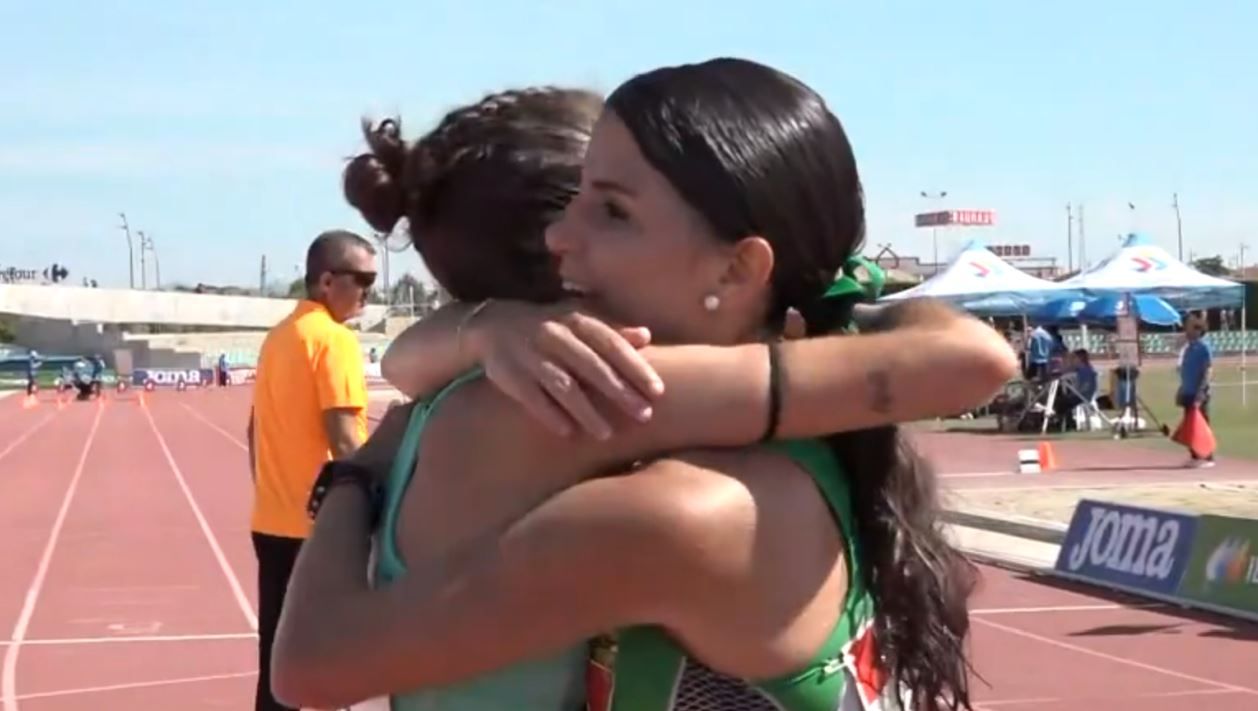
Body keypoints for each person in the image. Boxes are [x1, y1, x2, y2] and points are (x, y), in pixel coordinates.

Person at [274, 67, 1015, 711]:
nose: (564, 236)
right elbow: (962, 355)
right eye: (578, 198)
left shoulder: (677, 508)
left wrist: (357, 473)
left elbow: (311, 666)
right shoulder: (802, 423)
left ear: (737, 269)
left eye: (612, 209)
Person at [247, 229, 377, 711]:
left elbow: (253, 433)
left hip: (271, 522)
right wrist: (378, 513)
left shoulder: (278, 338)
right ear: (327, 281)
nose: (368, 292)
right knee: (330, 665)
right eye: (362, 279)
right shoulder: (334, 340)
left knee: (278, 669)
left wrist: (271, 492)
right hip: (321, 529)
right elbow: (347, 440)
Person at [1176, 315, 1214, 467]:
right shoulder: (1188, 348)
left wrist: (1201, 392)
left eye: (1190, 327)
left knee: (1201, 425)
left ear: (1198, 330)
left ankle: (1207, 456)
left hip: (1198, 393)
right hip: (1187, 391)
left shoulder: (1203, 347)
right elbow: (1185, 371)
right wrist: (1181, 389)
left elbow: (1208, 370)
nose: (1186, 330)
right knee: (1190, 426)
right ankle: (1194, 455)